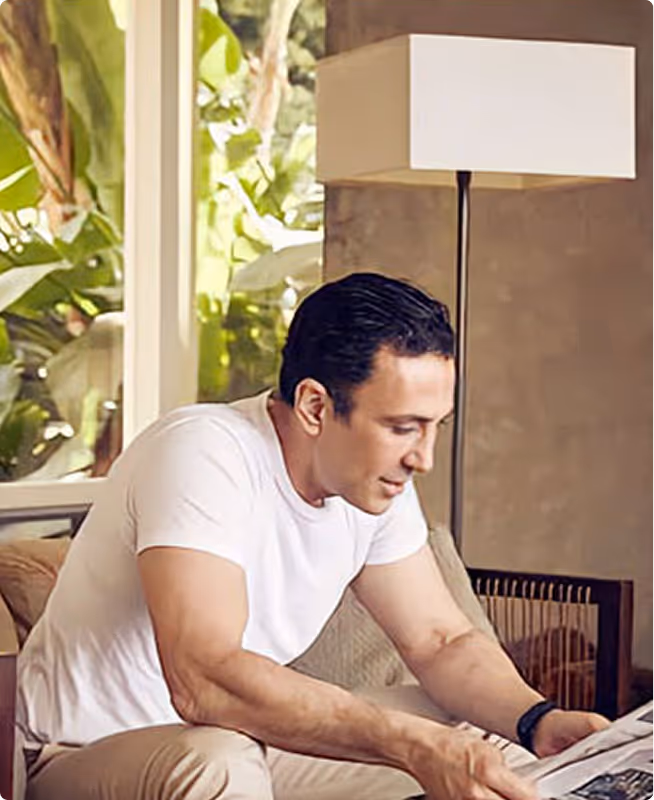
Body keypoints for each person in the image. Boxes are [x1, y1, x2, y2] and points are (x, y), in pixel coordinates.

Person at [17, 272, 608, 800]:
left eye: (434, 427)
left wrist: (536, 720)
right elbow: (204, 678)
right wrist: (407, 744)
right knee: (219, 763)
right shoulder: (203, 451)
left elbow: (441, 641)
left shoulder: (371, 483)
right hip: (85, 755)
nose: (423, 458)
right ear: (315, 406)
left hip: (247, 742)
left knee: (469, 731)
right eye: (403, 427)